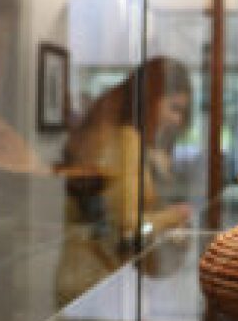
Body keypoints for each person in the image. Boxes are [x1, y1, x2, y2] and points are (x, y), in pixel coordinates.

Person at [56, 56, 194, 306]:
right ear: (152, 101)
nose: (178, 121)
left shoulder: (114, 133)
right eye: (174, 108)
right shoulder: (127, 138)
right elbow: (127, 225)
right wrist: (175, 216)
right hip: (97, 280)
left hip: (88, 273)